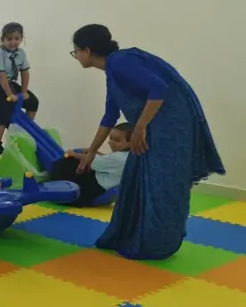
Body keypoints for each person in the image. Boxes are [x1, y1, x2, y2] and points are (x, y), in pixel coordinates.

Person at [69, 24, 224, 259]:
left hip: (172, 126)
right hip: (155, 125)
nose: (76, 56)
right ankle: (132, 234)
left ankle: (159, 243)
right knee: (138, 177)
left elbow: (158, 88)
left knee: (164, 183)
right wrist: (91, 151)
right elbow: (110, 115)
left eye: (76, 51)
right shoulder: (112, 71)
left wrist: (139, 128)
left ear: (87, 51)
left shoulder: (121, 61)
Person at [0, 22, 40, 154]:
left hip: (8, 81)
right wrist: (10, 95)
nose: (13, 42)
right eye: (9, 39)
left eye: (17, 39)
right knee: (4, 111)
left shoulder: (21, 53)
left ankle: (24, 132)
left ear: (21, 39)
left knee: (33, 101)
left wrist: (23, 91)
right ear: (2, 40)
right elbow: (2, 77)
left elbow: (25, 72)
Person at [49, 123, 132, 207]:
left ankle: (57, 191)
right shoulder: (129, 156)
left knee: (67, 163)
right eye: (110, 138)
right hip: (103, 184)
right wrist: (94, 152)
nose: (111, 142)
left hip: (95, 187)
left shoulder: (119, 158)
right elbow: (107, 160)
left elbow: (89, 160)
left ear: (131, 142)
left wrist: (73, 154)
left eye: (117, 140)